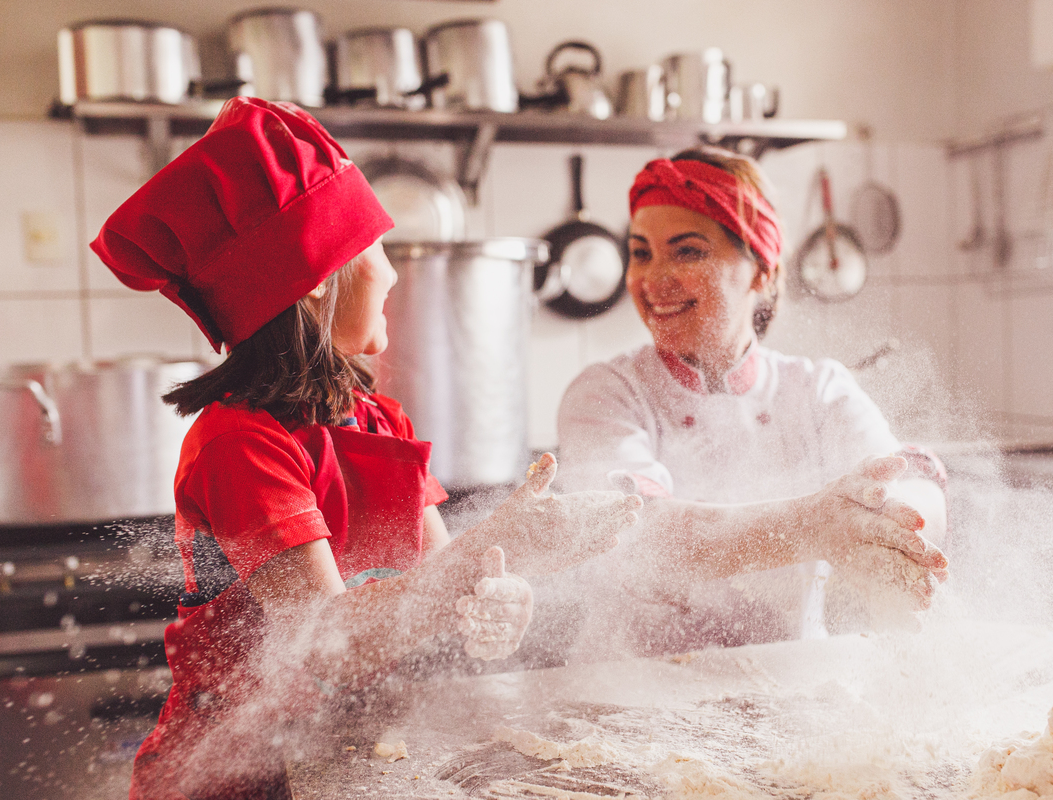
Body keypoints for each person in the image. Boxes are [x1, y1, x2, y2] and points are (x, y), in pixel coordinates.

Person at [90, 97, 642, 800]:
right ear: (316, 278)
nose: (391, 272)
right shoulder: (239, 444)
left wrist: (500, 596)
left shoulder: (377, 418)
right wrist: (497, 544)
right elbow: (330, 641)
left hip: (355, 757)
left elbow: (447, 580)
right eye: (375, 248)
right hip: (242, 777)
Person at [556, 147, 949, 656]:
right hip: (626, 697)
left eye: (687, 251)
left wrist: (891, 529)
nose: (652, 280)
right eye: (640, 252)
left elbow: (906, 485)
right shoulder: (607, 393)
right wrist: (814, 526)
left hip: (791, 692)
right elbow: (634, 535)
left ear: (761, 271)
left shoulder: (818, 391)